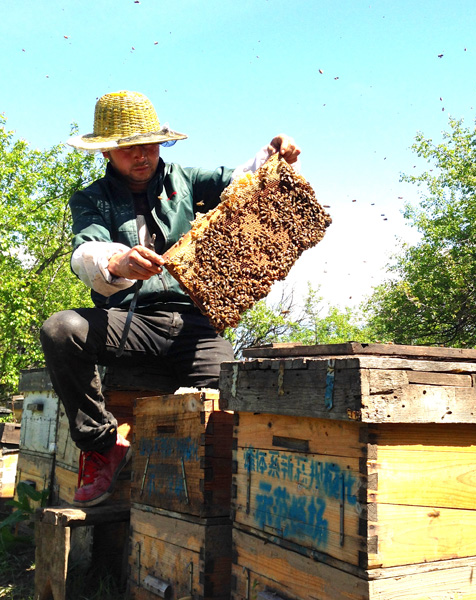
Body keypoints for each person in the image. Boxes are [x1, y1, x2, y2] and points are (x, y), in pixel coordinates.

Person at [40, 90, 300, 508]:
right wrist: (119, 262)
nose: (141, 156)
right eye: (128, 149)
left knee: (229, 393)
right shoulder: (91, 198)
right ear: (107, 151)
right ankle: (101, 445)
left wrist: (273, 156)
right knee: (60, 330)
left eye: (148, 144)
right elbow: (84, 252)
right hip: (130, 323)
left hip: (196, 324)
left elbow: (244, 181)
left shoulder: (188, 180)